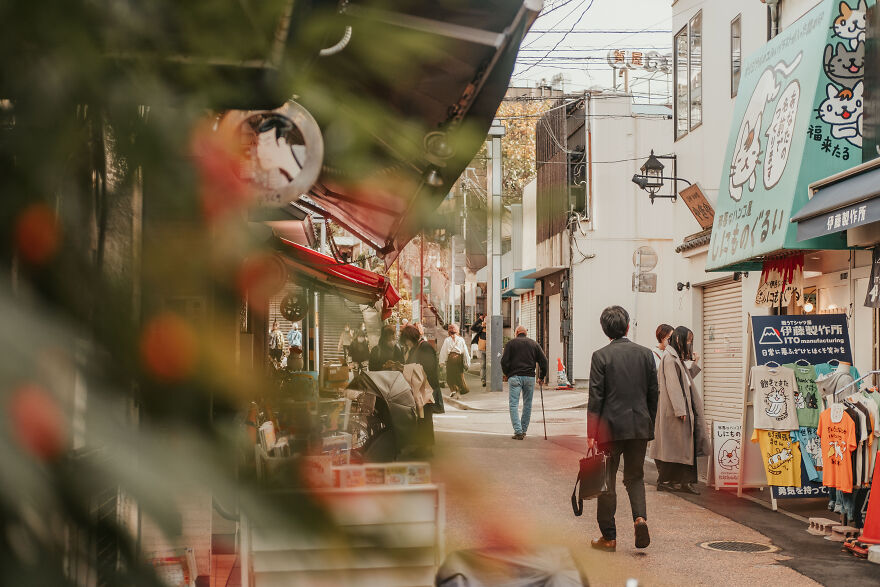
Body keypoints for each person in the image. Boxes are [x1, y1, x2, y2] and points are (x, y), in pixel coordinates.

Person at [587, 306, 658, 553]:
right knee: (635, 477)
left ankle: (609, 537)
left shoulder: (600, 356)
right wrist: (650, 423)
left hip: (609, 429)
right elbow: (653, 393)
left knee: (606, 481)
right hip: (639, 426)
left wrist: (591, 432)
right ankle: (640, 519)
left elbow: (596, 397)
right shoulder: (646, 354)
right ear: (627, 327)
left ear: (605, 330)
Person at [651, 326, 708, 495]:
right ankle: (671, 481)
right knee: (678, 449)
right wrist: (680, 409)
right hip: (678, 411)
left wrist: (695, 364)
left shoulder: (676, 358)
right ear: (679, 339)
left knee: (680, 449)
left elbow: (685, 380)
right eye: (688, 340)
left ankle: (679, 482)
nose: (689, 343)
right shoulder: (670, 358)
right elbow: (673, 386)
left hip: (682, 409)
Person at [400, 324, 443, 456]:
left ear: (410, 338)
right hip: (420, 388)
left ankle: (427, 448)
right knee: (422, 418)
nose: (406, 344)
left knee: (426, 418)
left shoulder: (424, 347)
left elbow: (427, 369)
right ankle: (422, 446)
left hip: (426, 388)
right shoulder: (416, 348)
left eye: (406, 340)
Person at [501, 325, 549, 440]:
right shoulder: (534, 344)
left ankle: (518, 431)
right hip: (529, 378)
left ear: (516, 332)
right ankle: (524, 430)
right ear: (525, 333)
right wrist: (541, 377)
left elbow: (504, 361)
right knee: (527, 404)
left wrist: (507, 374)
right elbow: (544, 361)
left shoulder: (511, 344)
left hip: (515, 377)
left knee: (514, 404)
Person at [438, 324, 471, 398]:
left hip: (451, 359)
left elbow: (444, 351)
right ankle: (461, 389)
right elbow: (465, 351)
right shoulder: (461, 339)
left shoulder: (447, 340)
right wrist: (467, 362)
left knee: (450, 376)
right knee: (459, 375)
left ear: (449, 332)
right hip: (459, 359)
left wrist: (442, 362)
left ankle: (454, 390)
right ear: (457, 331)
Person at [471, 314, 487, 386]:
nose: (486, 321)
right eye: (485, 319)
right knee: (483, 365)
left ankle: (490, 380)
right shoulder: (481, 328)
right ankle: (483, 380)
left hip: (490, 350)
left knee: (490, 365)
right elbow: (472, 327)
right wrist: (479, 320)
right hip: (482, 349)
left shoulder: (492, 328)